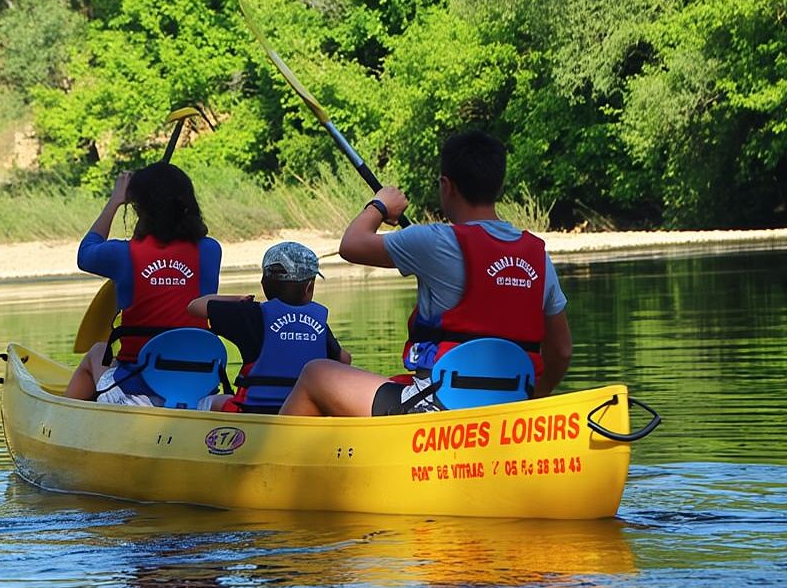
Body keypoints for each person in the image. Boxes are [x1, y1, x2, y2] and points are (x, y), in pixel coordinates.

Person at [279, 129, 572, 417]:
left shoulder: (435, 241)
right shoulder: (537, 256)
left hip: (438, 409)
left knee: (316, 374)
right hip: (512, 407)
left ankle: (263, 461)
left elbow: (352, 245)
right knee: (393, 382)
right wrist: (532, 403)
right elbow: (561, 352)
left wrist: (380, 205)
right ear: (498, 184)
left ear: (447, 186)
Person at [64, 163, 222, 404]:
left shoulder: (122, 254)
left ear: (139, 208)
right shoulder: (210, 251)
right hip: (198, 391)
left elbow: (85, 253)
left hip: (138, 392)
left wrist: (115, 200)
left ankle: (64, 418)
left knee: (97, 353)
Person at [187, 242, 352, 414]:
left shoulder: (249, 315)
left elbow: (195, 306)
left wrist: (239, 299)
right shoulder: (317, 323)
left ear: (263, 283)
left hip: (254, 411)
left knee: (212, 400)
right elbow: (344, 360)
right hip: (304, 412)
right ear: (309, 287)